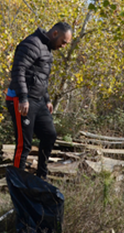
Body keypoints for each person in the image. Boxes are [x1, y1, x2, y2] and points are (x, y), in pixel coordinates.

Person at [6, 22, 73, 179]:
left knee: (49, 135)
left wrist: (47, 99)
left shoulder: (47, 49)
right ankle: (17, 186)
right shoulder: (31, 43)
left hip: (38, 100)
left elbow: (41, 78)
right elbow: (18, 71)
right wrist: (23, 98)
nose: (64, 46)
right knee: (24, 145)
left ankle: (41, 177)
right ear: (55, 33)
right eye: (63, 42)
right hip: (21, 99)